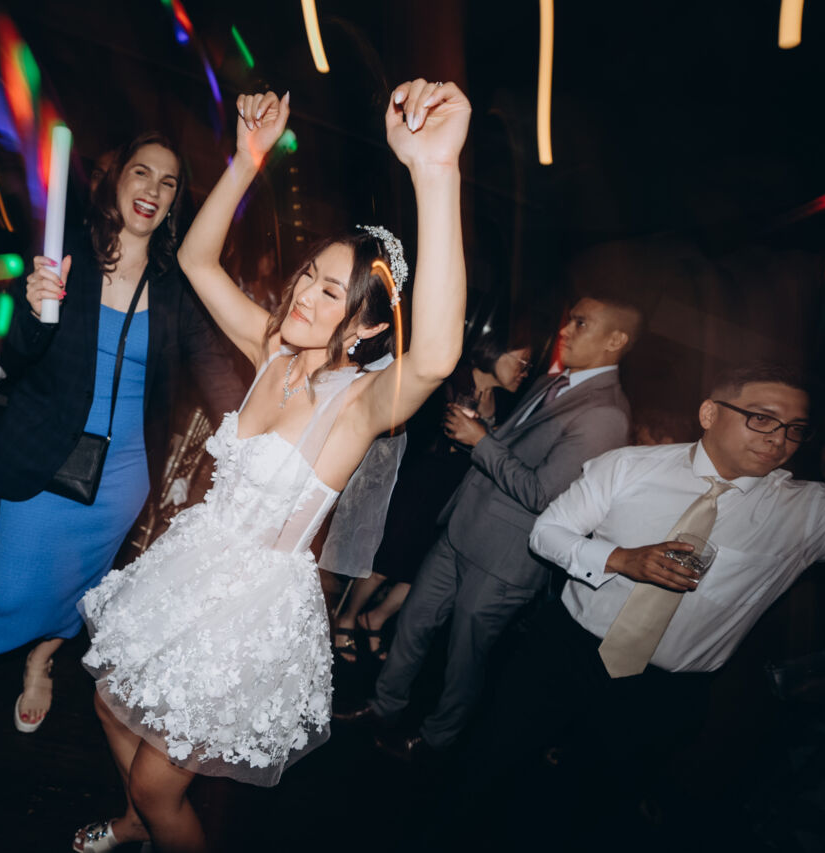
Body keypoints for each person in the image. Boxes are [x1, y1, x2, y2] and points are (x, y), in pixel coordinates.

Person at [73, 80, 471, 853]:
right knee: (108, 703)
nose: (306, 294)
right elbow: (196, 258)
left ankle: (148, 815)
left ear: (364, 327)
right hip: (192, 564)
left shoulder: (357, 403)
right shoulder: (271, 350)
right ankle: (136, 824)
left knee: (161, 781)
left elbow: (434, 355)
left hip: (249, 609)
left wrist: (436, 171)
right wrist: (246, 158)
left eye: (332, 291)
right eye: (308, 274)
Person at [0, 133, 243, 731]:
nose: (152, 189)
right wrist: (29, 313)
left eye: (168, 182)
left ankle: (42, 658)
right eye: (141, 172)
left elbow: (215, 370)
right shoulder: (66, 251)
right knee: (12, 581)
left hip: (123, 471)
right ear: (117, 180)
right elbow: (19, 350)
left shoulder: (178, 284)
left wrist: (262, 433)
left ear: (175, 202)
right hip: (45, 447)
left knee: (80, 585)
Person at [453, 367, 825, 821]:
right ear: (710, 414)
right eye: (762, 418)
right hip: (563, 653)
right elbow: (547, 533)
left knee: (592, 815)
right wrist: (619, 559)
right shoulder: (628, 466)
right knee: (489, 775)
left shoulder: (810, 512)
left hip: (663, 695)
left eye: (795, 429)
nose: (779, 439)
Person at [337, 295, 639, 763]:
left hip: (506, 559)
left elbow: (543, 494)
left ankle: (436, 738)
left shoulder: (606, 414)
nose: (564, 330)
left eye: (580, 323)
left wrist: (481, 442)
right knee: (413, 623)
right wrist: (485, 434)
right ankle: (383, 706)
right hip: (462, 529)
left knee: (464, 659)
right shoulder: (554, 382)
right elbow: (512, 450)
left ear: (615, 340)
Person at [329, 328, 532, 662]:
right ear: (495, 351)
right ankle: (347, 616)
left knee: (419, 570)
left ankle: (374, 619)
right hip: (421, 482)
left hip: (456, 493)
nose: (524, 372)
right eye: (521, 362)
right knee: (387, 560)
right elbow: (413, 428)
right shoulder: (451, 380)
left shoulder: (508, 404)